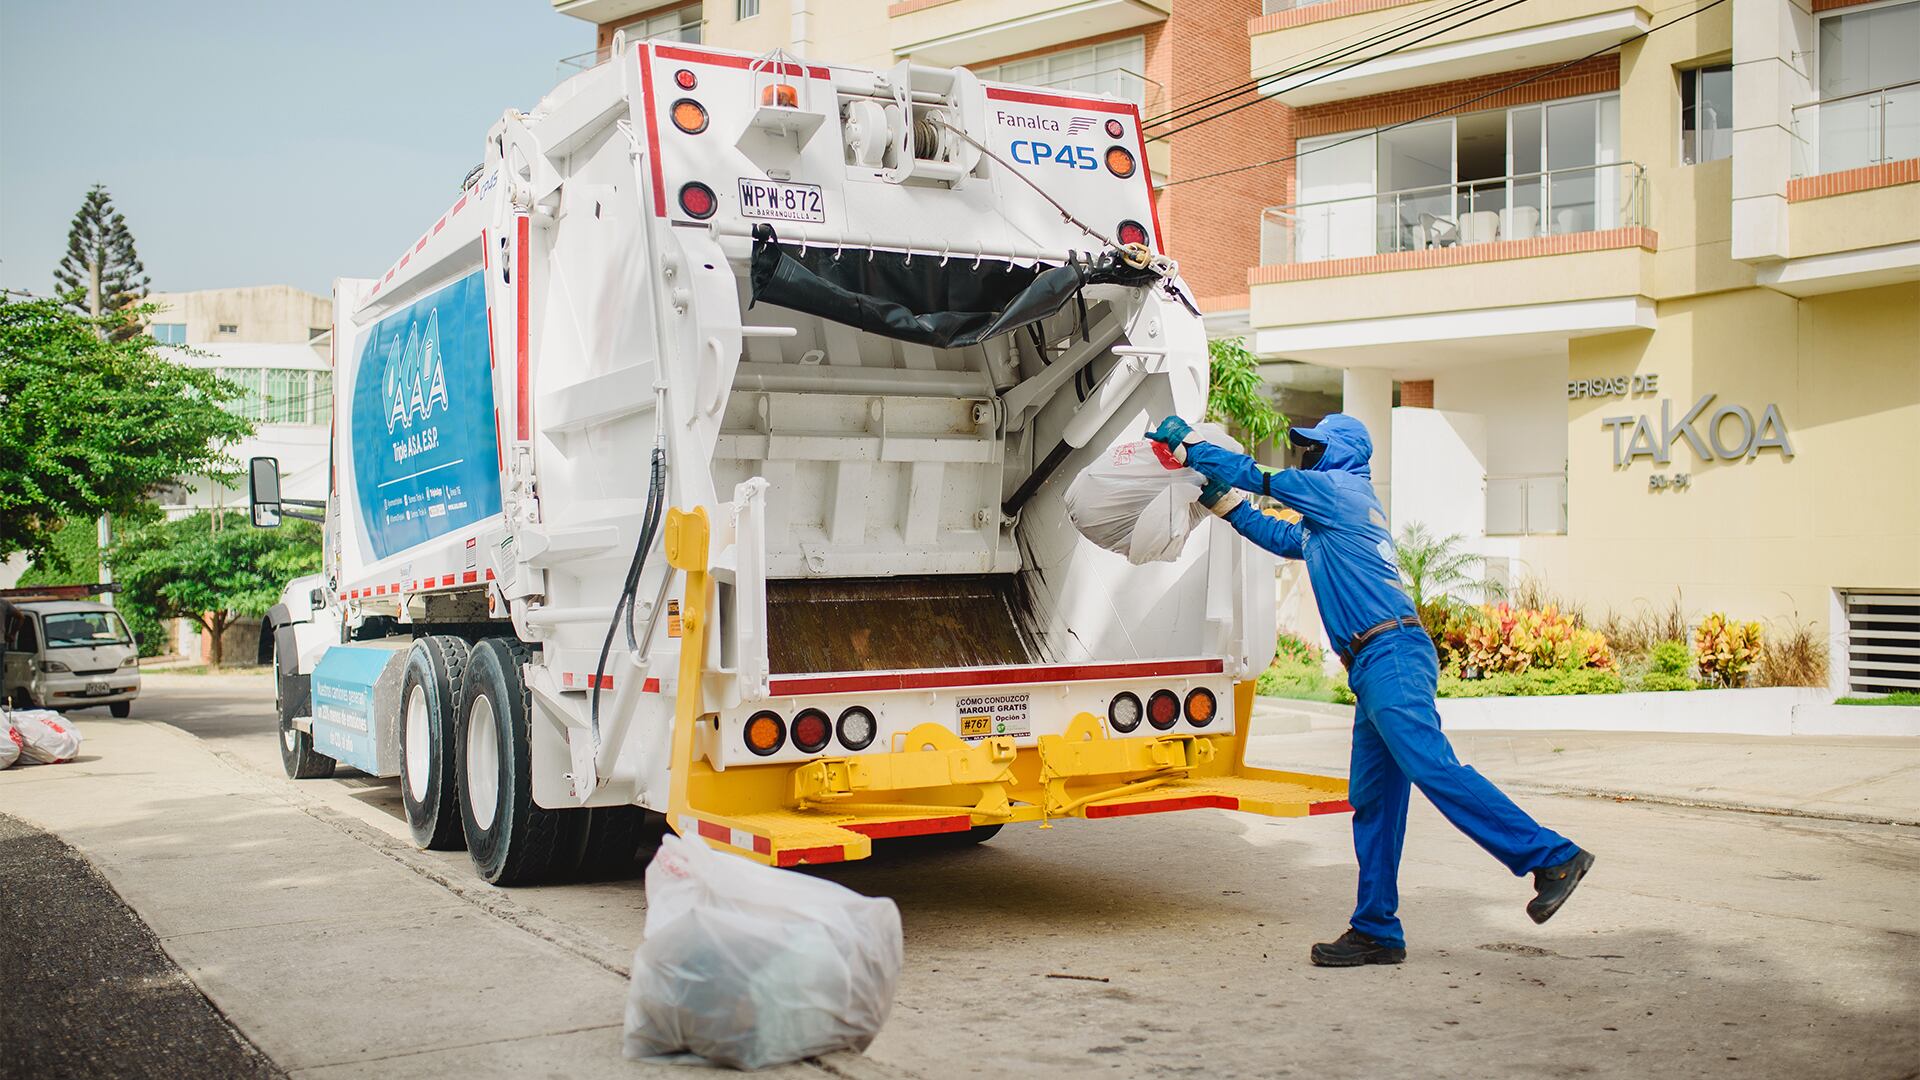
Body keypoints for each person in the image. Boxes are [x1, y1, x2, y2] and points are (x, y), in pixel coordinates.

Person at [1145, 413, 1594, 967]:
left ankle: (1553, 857)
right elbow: (1270, 530)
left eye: (1315, 448)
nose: (1306, 456)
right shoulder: (1326, 524)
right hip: (1374, 663)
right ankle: (1377, 928)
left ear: (1340, 454)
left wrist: (1192, 450)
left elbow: (1257, 476)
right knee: (1375, 802)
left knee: (1434, 767)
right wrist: (1214, 496)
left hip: (1393, 656)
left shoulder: (1341, 491)